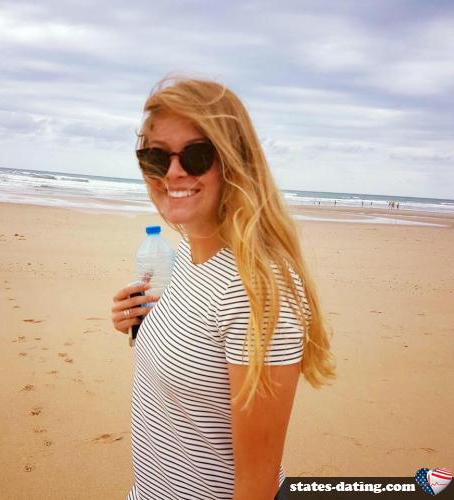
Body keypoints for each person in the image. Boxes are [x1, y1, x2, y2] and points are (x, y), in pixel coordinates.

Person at [111, 77, 336, 500]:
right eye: (156, 157)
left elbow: (257, 483)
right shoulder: (186, 253)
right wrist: (140, 323)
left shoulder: (257, 291)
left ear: (234, 162)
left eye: (196, 155)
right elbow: (195, 358)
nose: (173, 173)